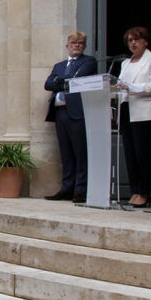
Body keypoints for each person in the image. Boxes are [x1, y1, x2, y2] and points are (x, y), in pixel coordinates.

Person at [43, 31, 98, 203]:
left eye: (81, 43)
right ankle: (67, 188)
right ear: (67, 45)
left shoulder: (88, 62)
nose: (77, 46)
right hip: (60, 113)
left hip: (77, 112)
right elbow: (48, 84)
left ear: (84, 46)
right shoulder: (59, 66)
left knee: (80, 152)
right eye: (74, 43)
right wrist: (64, 81)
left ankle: (81, 190)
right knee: (65, 152)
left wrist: (59, 81)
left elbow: (78, 80)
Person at [116, 25, 151, 208]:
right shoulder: (125, 63)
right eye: (130, 40)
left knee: (142, 153)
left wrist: (130, 87)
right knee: (130, 153)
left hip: (144, 111)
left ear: (145, 41)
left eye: (137, 39)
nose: (133, 43)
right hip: (126, 109)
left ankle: (144, 192)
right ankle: (135, 191)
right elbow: (120, 85)